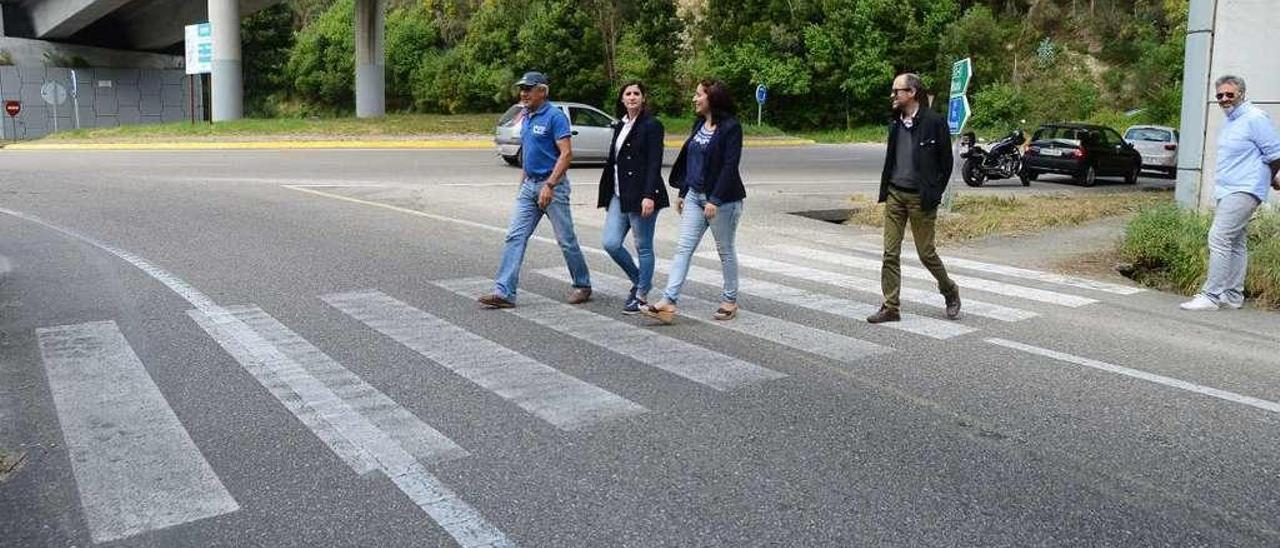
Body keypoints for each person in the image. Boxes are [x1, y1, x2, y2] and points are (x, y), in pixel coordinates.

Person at [478, 71, 592, 309]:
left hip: (553, 187)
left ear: (543, 91)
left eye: (529, 89)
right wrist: (524, 182)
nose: (523, 93)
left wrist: (549, 185)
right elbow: (529, 153)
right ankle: (504, 292)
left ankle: (582, 284)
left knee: (566, 240)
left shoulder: (555, 117)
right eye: (522, 89)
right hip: (529, 186)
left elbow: (566, 154)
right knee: (514, 236)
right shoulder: (526, 115)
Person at [642, 79, 744, 324]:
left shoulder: (731, 127)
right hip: (694, 196)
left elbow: (730, 166)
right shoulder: (699, 123)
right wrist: (683, 191)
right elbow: (692, 161)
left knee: (725, 249)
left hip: (722, 201)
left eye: (698, 94)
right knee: (683, 248)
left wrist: (715, 199)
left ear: (712, 98)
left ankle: (730, 300)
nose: (694, 99)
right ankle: (668, 301)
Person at [867, 73, 961, 324]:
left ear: (911, 93)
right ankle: (890, 307)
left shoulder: (934, 122)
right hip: (896, 194)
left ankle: (949, 290)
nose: (893, 95)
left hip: (921, 198)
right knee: (890, 253)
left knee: (926, 254)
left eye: (897, 91)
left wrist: (934, 192)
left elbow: (946, 163)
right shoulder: (895, 121)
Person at [1180, 74, 1280, 311]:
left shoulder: (1255, 118)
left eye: (1229, 94)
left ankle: (1211, 295)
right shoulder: (1231, 121)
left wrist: (1276, 174)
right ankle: (1232, 296)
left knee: (1219, 237)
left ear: (1242, 94)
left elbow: (1275, 152)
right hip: (1229, 188)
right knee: (1235, 242)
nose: (1224, 99)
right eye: (1220, 95)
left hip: (1245, 188)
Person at [598, 81, 669, 314]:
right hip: (619, 194)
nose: (632, 97)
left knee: (643, 247)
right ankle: (641, 279)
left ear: (643, 98)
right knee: (610, 243)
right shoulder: (621, 125)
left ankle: (640, 295)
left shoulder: (652, 125)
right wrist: (607, 194)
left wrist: (649, 196)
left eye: (636, 93)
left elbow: (654, 163)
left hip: (642, 195)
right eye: (627, 94)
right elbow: (613, 162)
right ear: (622, 99)